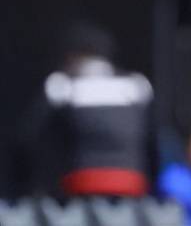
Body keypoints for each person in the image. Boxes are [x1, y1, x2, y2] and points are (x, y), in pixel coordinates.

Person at [19, 19, 157, 198]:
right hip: (132, 180)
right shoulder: (136, 84)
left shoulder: (62, 84)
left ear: (75, 54)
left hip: (80, 180)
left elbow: (29, 136)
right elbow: (153, 140)